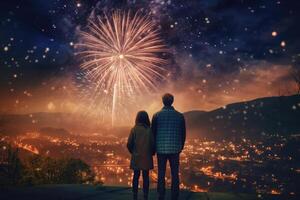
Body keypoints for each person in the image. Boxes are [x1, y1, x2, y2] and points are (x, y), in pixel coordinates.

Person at [151, 93, 186, 200]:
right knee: (175, 173)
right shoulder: (180, 116)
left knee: (161, 173)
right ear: (172, 101)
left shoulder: (156, 115)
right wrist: (181, 147)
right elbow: (183, 133)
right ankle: (175, 195)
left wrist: (153, 149)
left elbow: (153, 133)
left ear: (163, 101)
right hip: (175, 149)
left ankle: (161, 194)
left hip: (160, 149)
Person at [127, 111, 155, 200]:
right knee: (146, 177)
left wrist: (133, 152)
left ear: (137, 118)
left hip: (136, 157)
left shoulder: (134, 129)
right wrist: (151, 153)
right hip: (146, 157)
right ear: (147, 119)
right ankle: (145, 195)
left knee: (136, 176)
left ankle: (134, 195)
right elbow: (152, 144)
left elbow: (129, 144)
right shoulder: (149, 130)